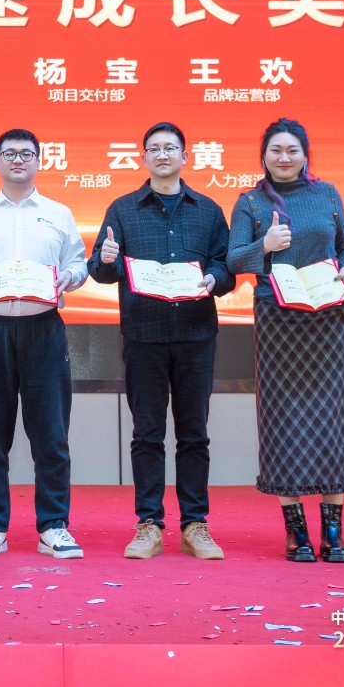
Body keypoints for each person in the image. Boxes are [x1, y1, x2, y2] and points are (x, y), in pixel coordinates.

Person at [89, 122, 235, 560]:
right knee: (147, 434)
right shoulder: (122, 210)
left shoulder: (208, 210)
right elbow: (100, 270)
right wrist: (106, 260)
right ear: (144, 157)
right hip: (143, 335)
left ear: (185, 157)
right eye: (154, 148)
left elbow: (226, 267)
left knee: (194, 434)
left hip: (196, 334)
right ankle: (149, 524)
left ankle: (195, 525)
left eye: (171, 148)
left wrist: (215, 278)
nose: (163, 154)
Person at [0, 128, 89, 559]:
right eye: (9, 154)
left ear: (39, 161)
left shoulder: (59, 213)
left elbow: (78, 264)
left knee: (51, 435)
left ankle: (53, 526)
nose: (18, 160)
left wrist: (70, 276)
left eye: (26, 154)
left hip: (44, 329)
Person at [226, 117, 344, 563]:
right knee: (282, 419)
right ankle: (296, 532)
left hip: (328, 317)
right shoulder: (250, 202)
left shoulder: (328, 194)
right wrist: (263, 246)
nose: (284, 158)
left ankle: (333, 531)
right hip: (278, 319)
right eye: (276, 151)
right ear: (263, 156)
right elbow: (232, 260)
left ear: (305, 155)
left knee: (333, 419)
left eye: (292, 150)